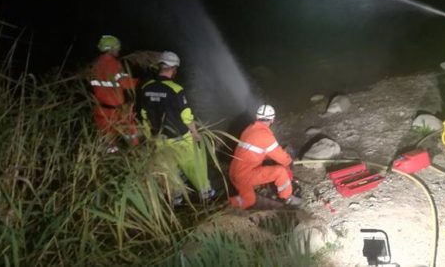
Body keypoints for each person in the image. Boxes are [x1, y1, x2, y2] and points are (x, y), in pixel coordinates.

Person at [140, 51, 214, 201]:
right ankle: (205, 193)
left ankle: (176, 197)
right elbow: (186, 116)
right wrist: (195, 133)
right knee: (193, 164)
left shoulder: (145, 88)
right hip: (179, 137)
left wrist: (150, 136)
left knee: (168, 168)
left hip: (159, 138)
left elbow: (144, 115)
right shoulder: (176, 89)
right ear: (173, 69)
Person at [229, 105, 302, 210]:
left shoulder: (249, 129)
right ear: (272, 119)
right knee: (280, 171)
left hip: (234, 171)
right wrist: (289, 162)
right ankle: (287, 198)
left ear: (257, 117)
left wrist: (273, 158)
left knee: (249, 200)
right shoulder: (265, 135)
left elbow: (258, 152)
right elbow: (281, 156)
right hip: (245, 175)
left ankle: (227, 204)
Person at [89, 35, 139, 153]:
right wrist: (141, 82)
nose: (119, 50)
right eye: (117, 47)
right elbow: (126, 83)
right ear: (110, 48)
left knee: (108, 141)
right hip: (117, 110)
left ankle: (111, 160)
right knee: (131, 134)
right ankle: (136, 155)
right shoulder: (114, 64)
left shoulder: (95, 65)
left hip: (100, 109)